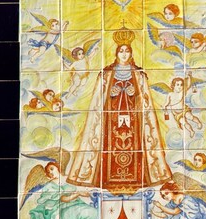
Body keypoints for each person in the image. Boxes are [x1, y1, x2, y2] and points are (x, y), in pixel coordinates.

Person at [66, 30, 173, 195]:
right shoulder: (106, 74)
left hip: (134, 123)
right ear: (116, 53)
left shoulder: (139, 75)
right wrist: (112, 94)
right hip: (110, 123)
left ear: (131, 53)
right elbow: (98, 102)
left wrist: (134, 94)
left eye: (127, 51)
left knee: (136, 149)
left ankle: (138, 180)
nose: (124, 54)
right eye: (121, 51)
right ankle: (107, 181)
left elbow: (145, 103)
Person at [25, 162, 99, 219]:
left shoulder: (68, 179)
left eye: (52, 169)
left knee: (90, 218)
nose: (51, 173)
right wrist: (78, 194)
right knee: (93, 213)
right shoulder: (51, 185)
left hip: (77, 207)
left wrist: (84, 193)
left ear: (57, 167)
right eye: (48, 172)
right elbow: (64, 199)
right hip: (66, 211)